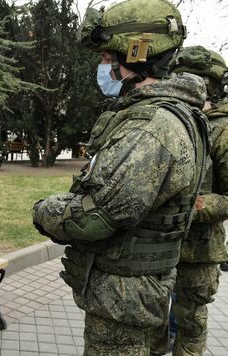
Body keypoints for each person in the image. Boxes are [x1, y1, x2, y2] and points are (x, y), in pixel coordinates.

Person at [32, 0, 210, 354]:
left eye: (105, 58)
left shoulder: (152, 127)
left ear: (136, 54)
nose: (102, 66)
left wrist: (44, 211)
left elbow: (96, 217)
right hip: (137, 293)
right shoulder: (171, 114)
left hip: (123, 297)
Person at [165, 45, 228, 355]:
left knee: (188, 326)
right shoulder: (172, 121)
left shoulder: (223, 130)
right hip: (159, 247)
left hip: (199, 253)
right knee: (153, 325)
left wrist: (194, 207)